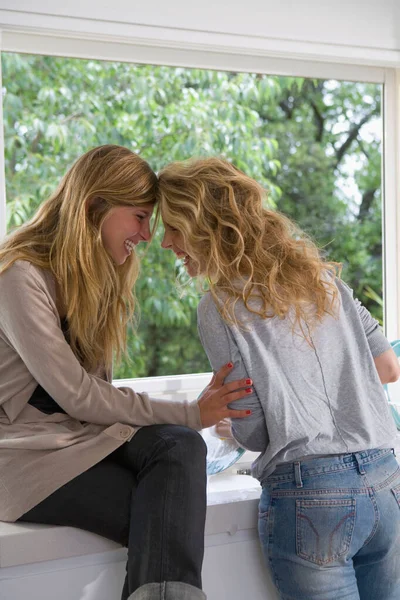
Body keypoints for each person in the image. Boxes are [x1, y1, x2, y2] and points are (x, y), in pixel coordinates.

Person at [0, 145, 253, 600]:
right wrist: (192, 410)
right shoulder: (21, 276)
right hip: (21, 455)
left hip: (77, 440)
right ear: (94, 206)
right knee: (162, 517)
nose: (148, 234)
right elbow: (79, 395)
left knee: (179, 446)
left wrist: (189, 422)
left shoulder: (93, 277)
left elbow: (100, 394)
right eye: (139, 216)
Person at [158, 156, 400, 600]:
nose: (165, 242)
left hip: (311, 496)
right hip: (385, 482)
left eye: (173, 227)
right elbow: (389, 368)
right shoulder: (325, 282)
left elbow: (252, 432)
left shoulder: (219, 307)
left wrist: (230, 422)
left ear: (204, 226)